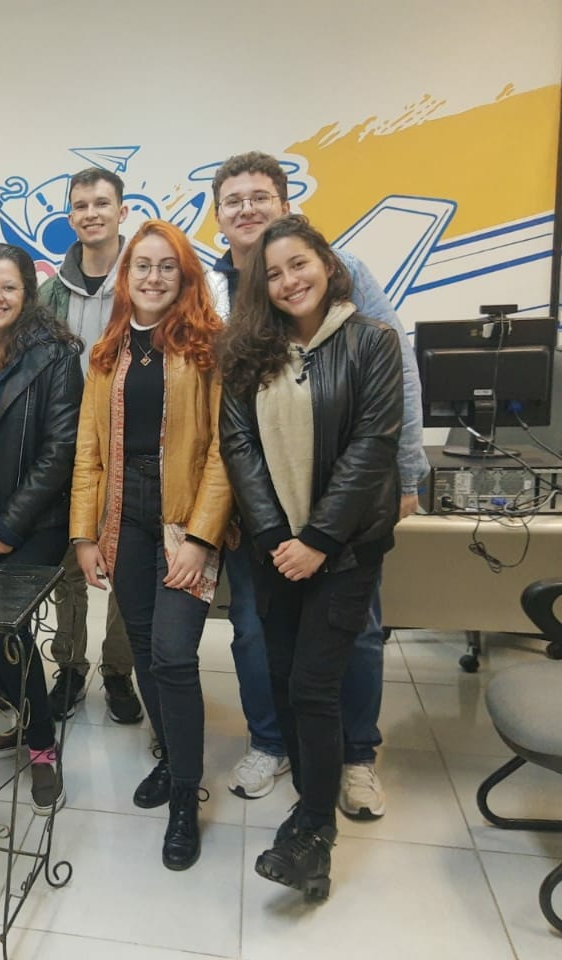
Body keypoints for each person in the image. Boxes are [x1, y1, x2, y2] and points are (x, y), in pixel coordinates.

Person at [207, 151, 427, 815]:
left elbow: (395, 372)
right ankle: (272, 742)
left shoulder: (343, 273)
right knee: (255, 632)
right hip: (259, 510)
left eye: (259, 196)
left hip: (344, 509)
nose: (247, 209)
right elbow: (228, 420)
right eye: (233, 200)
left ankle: (356, 753)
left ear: (285, 206)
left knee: (354, 633)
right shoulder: (213, 287)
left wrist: (407, 470)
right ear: (219, 216)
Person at [219, 215, 403, 900]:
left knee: (313, 687)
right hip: (274, 552)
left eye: (299, 264)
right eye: (273, 273)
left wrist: (317, 540)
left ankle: (315, 830)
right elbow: (238, 445)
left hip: (344, 552)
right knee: (283, 677)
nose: (289, 281)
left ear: (326, 263)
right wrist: (275, 539)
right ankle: (309, 801)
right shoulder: (249, 351)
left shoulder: (372, 341)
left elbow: (371, 448)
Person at [70, 220, 232, 870]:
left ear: (185, 275)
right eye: (143, 266)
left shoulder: (207, 349)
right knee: (140, 644)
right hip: (123, 518)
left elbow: (222, 451)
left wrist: (200, 537)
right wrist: (85, 535)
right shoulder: (107, 352)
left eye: (168, 266)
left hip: (183, 518)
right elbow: (88, 452)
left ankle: (186, 795)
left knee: (173, 654)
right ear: (126, 276)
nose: (154, 277)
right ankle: (170, 757)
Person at [0, 244, 81, 815]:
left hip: (35, 513)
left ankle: (43, 745)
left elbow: (59, 451)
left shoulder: (55, 356)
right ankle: (30, 709)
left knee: (5, 626)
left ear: (28, 294)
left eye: (8, 288)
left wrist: (10, 523)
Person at [38, 167, 141, 725]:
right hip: (69, 446)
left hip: (132, 445)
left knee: (128, 564)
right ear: (71, 217)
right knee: (68, 567)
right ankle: (71, 666)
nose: (91, 213)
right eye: (80, 205)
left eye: (102, 203)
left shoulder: (145, 280)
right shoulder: (50, 292)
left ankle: (119, 670)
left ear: (122, 212)